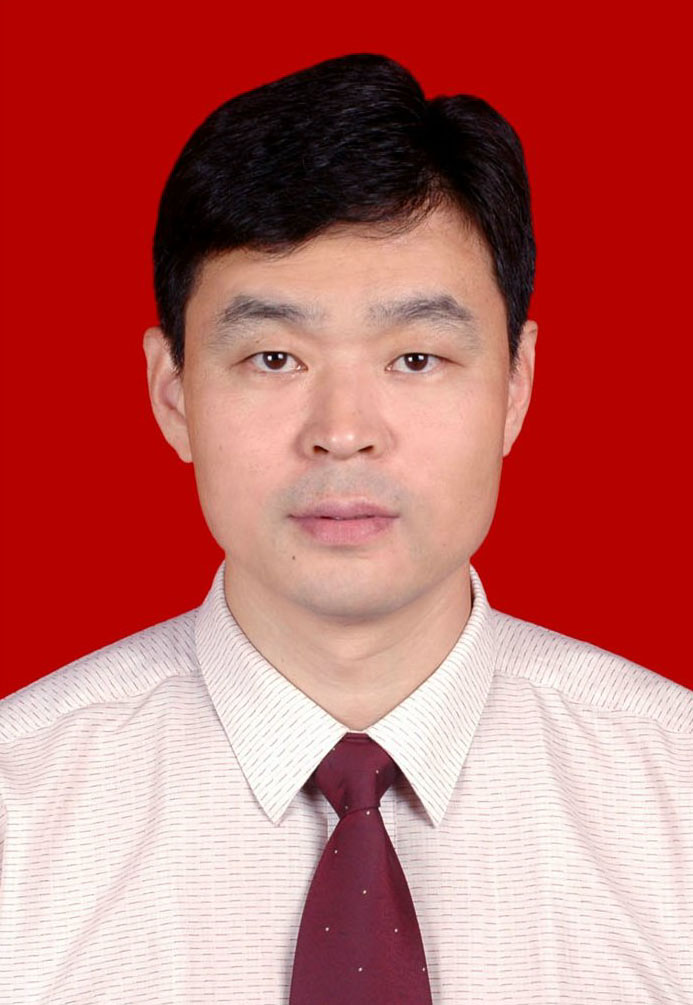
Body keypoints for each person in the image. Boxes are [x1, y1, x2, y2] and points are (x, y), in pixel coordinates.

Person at [0, 53, 691, 1005]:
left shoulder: (674, 796)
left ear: (515, 385)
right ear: (172, 394)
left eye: (415, 357)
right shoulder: (19, 810)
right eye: (274, 357)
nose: (342, 430)